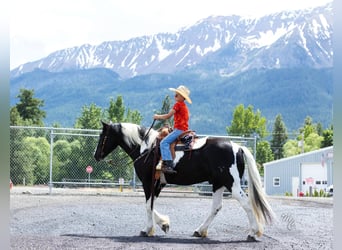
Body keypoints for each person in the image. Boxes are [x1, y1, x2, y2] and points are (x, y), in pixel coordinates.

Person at [153, 85, 192, 174]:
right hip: (182, 129)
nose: (175, 96)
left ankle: (168, 165)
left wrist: (157, 116)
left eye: (177, 95)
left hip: (179, 130)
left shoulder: (178, 105)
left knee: (164, 142)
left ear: (182, 97)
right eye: (175, 94)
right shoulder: (183, 106)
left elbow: (168, 116)